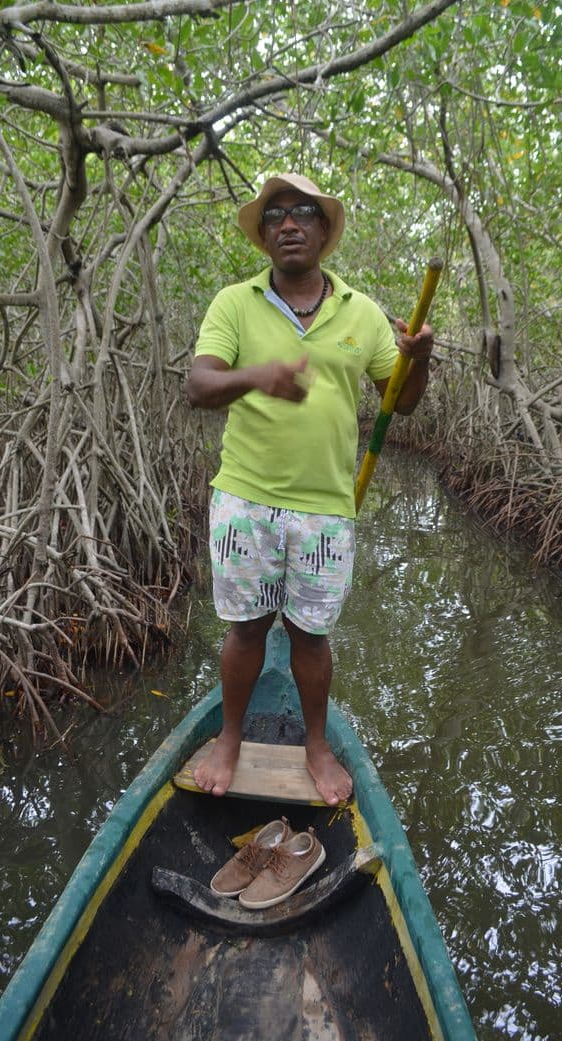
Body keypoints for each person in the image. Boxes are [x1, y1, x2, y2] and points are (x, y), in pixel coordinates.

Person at [186, 173, 434, 806]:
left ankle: (316, 747)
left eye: (302, 213)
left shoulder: (363, 313)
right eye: (275, 215)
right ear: (264, 235)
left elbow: (399, 403)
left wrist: (419, 358)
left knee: (311, 636)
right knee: (246, 629)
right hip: (245, 497)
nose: (288, 223)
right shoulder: (234, 303)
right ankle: (230, 740)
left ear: (324, 232)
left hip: (327, 504)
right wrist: (256, 375)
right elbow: (200, 387)